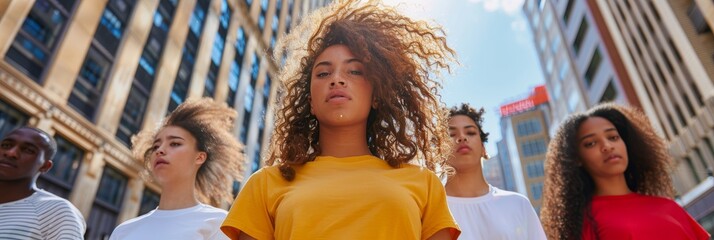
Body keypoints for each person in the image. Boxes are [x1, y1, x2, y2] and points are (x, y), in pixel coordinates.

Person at [221, 0, 460, 239]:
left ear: (376, 96)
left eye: (354, 71)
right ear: (311, 103)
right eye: (323, 73)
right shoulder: (265, 183)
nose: (337, 79)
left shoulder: (424, 184)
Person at [541, 103, 710, 239]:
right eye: (591, 143)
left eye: (613, 137)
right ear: (576, 159)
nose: (607, 146)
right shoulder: (582, 223)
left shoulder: (669, 207)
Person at [110, 98, 246, 240]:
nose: (160, 150)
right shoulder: (123, 231)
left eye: (174, 143)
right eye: (156, 146)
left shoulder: (218, 224)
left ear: (199, 157)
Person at [445, 103, 546, 239]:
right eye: (451, 134)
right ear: (439, 150)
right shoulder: (430, 211)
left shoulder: (517, 204)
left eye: (470, 132)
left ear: (483, 148)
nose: (462, 137)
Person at [0, 127, 86, 239]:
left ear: (45, 166)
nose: (11, 153)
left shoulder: (57, 211)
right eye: (6, 145)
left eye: (28, 150)